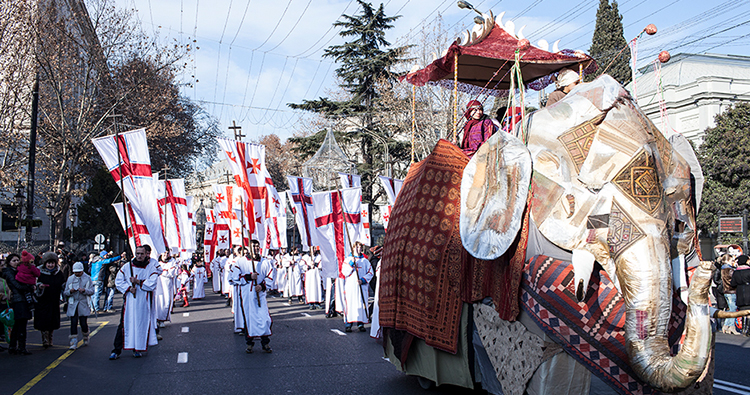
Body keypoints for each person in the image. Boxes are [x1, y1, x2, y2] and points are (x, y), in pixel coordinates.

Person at [110, 245, 160, 359]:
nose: (139, 256)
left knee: (140, 324)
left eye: (142, 254)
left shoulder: (150, 267)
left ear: (146, 254)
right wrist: (128, 288)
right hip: (130, 302)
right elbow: (118, 281)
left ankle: (137, 348)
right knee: (124, 324)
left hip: (143, 302)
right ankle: (116, 350)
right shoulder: (127, 267)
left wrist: (138, 282)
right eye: (137, 253)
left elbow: (152, 283)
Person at [230, 240, 273, 354]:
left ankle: (265, 343)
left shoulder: (264, 262)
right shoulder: (241, 262)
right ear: (248, 248)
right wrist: (248, 277)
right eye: (253, 246)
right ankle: (249, 343)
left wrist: (262, 286)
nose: (256, 248)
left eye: (257, 246)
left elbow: (270, 276)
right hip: (248, 296)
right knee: (249, 319)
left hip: (260, 295)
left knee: (265, 319)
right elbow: (233, 277)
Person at [2, 253, 35, 355]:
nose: (16, 262)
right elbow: (17, 285)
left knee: (19, 324)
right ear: (9, 262)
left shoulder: (19, 270)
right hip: (17, 300)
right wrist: (28, 287)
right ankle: (20, 346)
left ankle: (15, 346)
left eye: (17, 260)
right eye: (14, 261)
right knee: (19, 324)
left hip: (23, 299)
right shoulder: (9, 272)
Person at [34, 252, 66, 348]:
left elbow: (62, 284)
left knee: (52, 321)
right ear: (45, 263)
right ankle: (45, 339)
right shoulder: (39, 272)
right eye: (49, 263)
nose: (51, 265)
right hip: (42, 300)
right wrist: (39, 286)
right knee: (44, 321)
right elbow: (34, 283)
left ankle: (50, 337)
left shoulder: (58, 273)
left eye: (52, 263)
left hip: (54, 300)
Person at [341, 242, 374, 332]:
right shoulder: (348, 260)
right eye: (356, 247)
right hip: (351, 287)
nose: (358, 249)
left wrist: (363, 280)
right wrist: (351, 263)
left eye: (360, 247)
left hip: (361, 287)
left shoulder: (365, 261)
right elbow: (344, 272)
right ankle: (348, 324)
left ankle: (361, 324)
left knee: (361, 303)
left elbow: (371, 273)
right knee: (351, 304)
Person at [64, 262, 94, 349]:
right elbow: (65, 292)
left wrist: (84, 290)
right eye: (75, 272)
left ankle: (85, 335)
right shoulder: (70, 279)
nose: (77, 274)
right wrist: (70, 291)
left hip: (83, 303)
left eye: (79, 272)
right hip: (73, 303)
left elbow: (92, 291)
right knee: (73, 322)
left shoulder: (87, 278)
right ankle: (73, 340)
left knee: (83, 323)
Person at [154, 251, 178, 328]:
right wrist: (164, 271)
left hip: (167, 286)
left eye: (167, 253)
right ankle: (155, 319)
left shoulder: (172, 261)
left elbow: (171, 273)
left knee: (166, 302)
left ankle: (162, 319)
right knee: (157, 302)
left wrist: (163, 272)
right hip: (157, 284)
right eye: (164, 253)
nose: (165, 255)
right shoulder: (156, 262)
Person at [731, 254, 750, 336]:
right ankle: (748, 329)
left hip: (740, 293)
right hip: (748, 291)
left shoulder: (736, 272)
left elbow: (732, 283)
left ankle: (743, 328)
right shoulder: (749, 271)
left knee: (742, 311)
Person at [722, 254, 740, 334]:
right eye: (732, 260)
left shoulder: (723, 268)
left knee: (731, 309)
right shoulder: (729, 269)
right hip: (731, 291)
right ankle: (730, 326)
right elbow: (733, 281)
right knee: (733, 309)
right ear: (728, 260)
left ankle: (727, 326)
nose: (733, 262)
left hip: (726, 291)